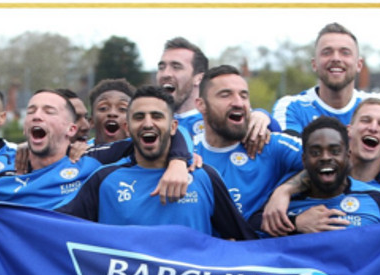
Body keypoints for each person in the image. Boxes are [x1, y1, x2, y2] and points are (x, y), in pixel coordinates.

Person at [0, 89, 190, 228]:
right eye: (31, 111)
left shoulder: (94, 161)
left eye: (48, 111)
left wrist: (178, 159)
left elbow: (152, 134)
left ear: (71, 130)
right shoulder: (5, 182)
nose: (36, 116)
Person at [58, 85, 257, 240]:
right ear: (127, 127)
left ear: (173, 127)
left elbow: (245, 241)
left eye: (156, 116)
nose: (147, 123)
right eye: (139, 117)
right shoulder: (103, 180)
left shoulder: (204, 177)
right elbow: (55, 227)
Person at [251, 115, 380, 275]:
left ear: (348, 155)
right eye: (315, 152)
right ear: (304, 160)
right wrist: (295, 224)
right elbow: (250, 235)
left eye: (335, 151)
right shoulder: (284, 203)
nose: (326, 157)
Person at [261, 97, 380, 236]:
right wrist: (284, 194)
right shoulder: (307, 178)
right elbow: (254, 226)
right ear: (349, 130)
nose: (373, 128)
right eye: (366, 120)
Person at [272, 22, 380, 139]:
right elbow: (289, 154)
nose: (336, 58)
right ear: (314, 64)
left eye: (345, 52)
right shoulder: (291, 107)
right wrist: (261, 115)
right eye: (327, 52)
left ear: (359, 64)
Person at [193, 65, 303, 219]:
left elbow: (333, 163)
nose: (238, 103)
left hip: (260, 242)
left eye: (244, 96)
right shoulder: (187, 152)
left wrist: (286, 190)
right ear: (201, 105)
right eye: (225, 95)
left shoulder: (269, 144)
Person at [156, 37, 278, 157]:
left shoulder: (226, 119)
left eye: (176, 67)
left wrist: (264, 117)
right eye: (161, 67)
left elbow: (280, 142)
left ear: (198, 78)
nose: (165, 74)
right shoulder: (149, 122)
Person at [87, 78, 135, 145]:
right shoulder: (78, 153)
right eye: (103, 108)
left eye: (122, 109)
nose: (112, 113)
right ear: (91, 121)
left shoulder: (143, 153)